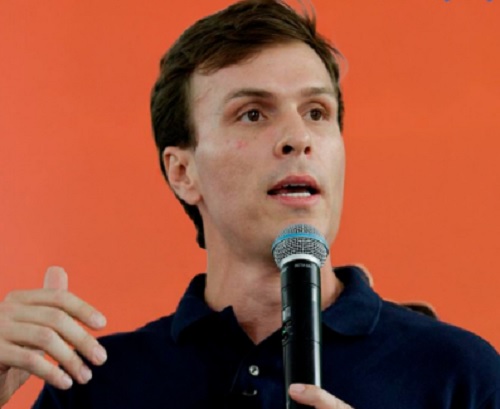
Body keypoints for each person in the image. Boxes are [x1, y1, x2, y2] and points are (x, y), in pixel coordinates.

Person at [1, 0, 499, 408]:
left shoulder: (461, 375)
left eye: (316, 112)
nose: (298, 137)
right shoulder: (96, 388)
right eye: (253, 114)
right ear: (183, 172)